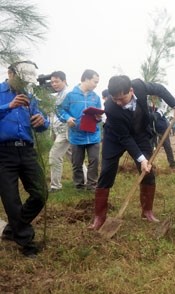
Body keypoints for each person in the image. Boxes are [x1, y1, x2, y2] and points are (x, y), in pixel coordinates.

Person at [88, 75, 175, 230]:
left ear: (131, 90)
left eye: (122, 98)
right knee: (106, 172)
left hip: (140, 134)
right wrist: (140, 158)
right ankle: (99, 217)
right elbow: (125, 138)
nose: (118, 102)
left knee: (148, 170)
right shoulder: (111, 107)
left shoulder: (139, 85)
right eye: (115, 99)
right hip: (116, 137)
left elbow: (159, 89)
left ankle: (147, 211)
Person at [0, 61, 50, 257]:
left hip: (27, 151)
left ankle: (14, 228)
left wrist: (42, 121)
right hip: (3, 153)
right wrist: (8, 106)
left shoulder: (31, 98)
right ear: (10, 73)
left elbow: (43, 123)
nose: (24, 85)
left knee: (40, 193)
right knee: (11, 199)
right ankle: (26, 242)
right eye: (21, 80)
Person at [59, 69, 102, 191]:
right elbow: (60, 110)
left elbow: (98, 114)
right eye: (95, 81)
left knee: (94, 161)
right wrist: (67, 118)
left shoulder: (96, 97)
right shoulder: (71, 96)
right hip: (76, 135)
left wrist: (98, 118)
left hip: (93, 135)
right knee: (77, 163)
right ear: (86, 79)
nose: (96, 85)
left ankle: (92, 186)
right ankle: (79, 186)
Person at [48, 71, 71, 192]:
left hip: (65, 129)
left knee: (54, 155)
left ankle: (55, 186)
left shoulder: (68, 94)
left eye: (57, 81)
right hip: (57, 129)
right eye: (52, 82)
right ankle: (87, 179)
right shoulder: (57, 95)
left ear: (64, 81)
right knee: (73, 156)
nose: (54, 84)